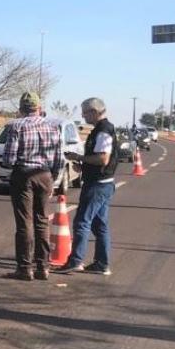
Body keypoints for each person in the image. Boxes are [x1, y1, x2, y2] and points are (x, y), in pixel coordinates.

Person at [2, 92, 64, 281]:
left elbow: (9, 158)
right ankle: (43, 266)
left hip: (23, 175)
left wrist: (11, 164)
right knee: (42, 220)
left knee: (24, 222)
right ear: (39, 108)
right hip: (45, 175)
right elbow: (59, 159)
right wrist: (52, 178)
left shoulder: (16, 126)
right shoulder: (53, 127)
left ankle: (24, 267)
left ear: (21, 109)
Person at [56, 98, 117, 276]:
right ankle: (101, 263)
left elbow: (103, 158)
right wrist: (83, 167)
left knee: (82, 222)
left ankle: (76, 261)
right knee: (100, 225)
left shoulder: (103, 131)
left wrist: (79, 157)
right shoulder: (101, 130)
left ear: (95, 112)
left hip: (98, 185)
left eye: (85, 112)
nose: (83, 116)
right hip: (102, 183)